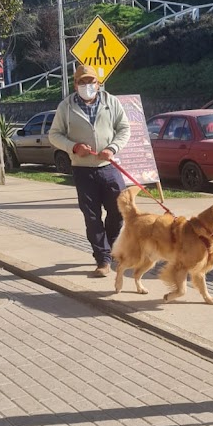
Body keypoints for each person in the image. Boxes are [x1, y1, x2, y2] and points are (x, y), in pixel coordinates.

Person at [49, 64, 131, 276]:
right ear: (75, 84)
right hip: (82, 170)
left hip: (109, 167)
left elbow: (124, 128)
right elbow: (54, 134)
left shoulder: (111, 102)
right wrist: (74, 147)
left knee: (118, 211)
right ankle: (102, 259)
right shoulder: (66, 107)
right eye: (82, 82)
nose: (87, 85)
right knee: (92, 217)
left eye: (91, 81)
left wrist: (112, 148)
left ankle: (112, 247)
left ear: (98, 83)